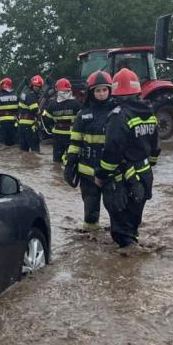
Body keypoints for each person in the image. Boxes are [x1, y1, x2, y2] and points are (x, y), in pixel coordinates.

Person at [94, 69, 160, 250]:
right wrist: (146, 165)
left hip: (123, 180)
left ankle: (127, 268)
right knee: (133, 222)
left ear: (114, 91)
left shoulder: (118, 116)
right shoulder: (149, 112)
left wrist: (101, 175)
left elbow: (112, 152)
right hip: (145, 176)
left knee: (121, 230)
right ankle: (134, 261)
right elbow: (156, 147)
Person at [64, 71, 114, 231]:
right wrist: (69, 164)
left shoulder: (117, 112)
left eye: (105, 90)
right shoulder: (83, 115)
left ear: (110, 90)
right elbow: (75, 142)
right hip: (87, 172)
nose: (101, 94)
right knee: (91, 211)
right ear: (91, 92)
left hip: (111, 171)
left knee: (116, 207)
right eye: (98, 90)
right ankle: (90, 239)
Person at [42, 78, 82, 163]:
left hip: (57, 136)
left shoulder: (52, 104)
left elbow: (47, 120)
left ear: (57, 90)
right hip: (72, 135)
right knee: (70, 159)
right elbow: (81, 121)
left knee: (57, 161)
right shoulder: (76, 103)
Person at [17, 75, 43, 152]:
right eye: (35, 86)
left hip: (22, 125)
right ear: (32, 85)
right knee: (35, 150)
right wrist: (42, 112)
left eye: (38, 86)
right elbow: (35, 109)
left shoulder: (25, 92)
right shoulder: (31, 95)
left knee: (23, 150)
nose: (37, 88)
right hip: (30, 126)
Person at [0, 77, 19, 145]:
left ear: (3, 86)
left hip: (1, 122)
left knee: (1, 141)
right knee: (14, 141)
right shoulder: (16, 96)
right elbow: (20, 109)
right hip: (13, 122)